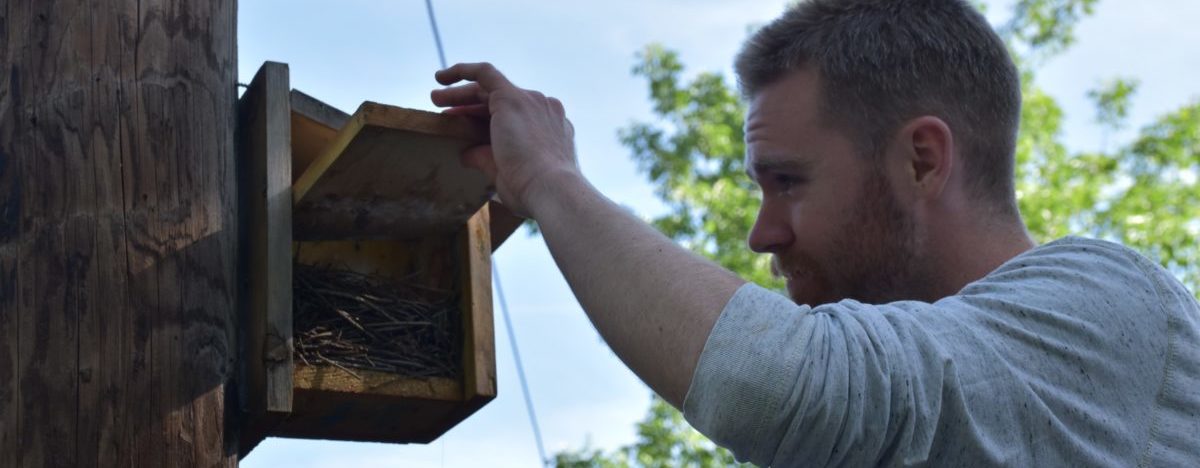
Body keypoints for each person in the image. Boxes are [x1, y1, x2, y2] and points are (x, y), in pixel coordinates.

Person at [430, 0, 1200, 466]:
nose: (763, 235)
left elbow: (787, 386)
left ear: (921, 161)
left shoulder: (1114, 300)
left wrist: (548, 182)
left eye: (788, 181)